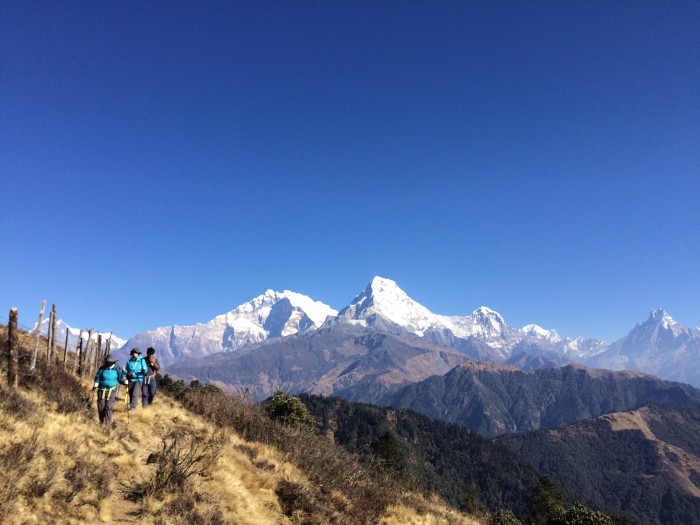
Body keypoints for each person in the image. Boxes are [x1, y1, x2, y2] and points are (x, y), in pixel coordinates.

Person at [93, 354, 127, 428]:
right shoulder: (102, 368)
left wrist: (124, 382)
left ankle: (108, 426)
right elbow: (97, 377)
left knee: (109, 407)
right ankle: (101, 423)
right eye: (108, 361)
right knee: (101, 407)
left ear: (114, 361)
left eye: (111, 361)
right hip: (101, 390)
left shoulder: (117, 369)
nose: (109, 362)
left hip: (112, 390)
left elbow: (120, 379)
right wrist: (95, 384)